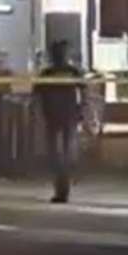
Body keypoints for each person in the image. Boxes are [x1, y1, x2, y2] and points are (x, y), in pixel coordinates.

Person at [34, 41, 86, 203]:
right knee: (64, 154)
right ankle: (63, 188)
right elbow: (83, 92)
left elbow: (37, 95)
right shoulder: (72, 72)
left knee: (57, 155)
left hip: (55, 117)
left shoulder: (47, 73)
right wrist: (81, 111)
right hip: (64, 117)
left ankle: (62, 188)